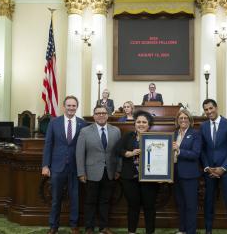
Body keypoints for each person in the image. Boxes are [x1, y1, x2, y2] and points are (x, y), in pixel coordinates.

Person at [41, 95, 88, 234]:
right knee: (56, 198)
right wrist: (45, 165)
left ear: (77, 107)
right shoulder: (54, 122)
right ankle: (53, 226)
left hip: (75, 166)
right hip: (57, 166)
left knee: (75, 197)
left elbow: (85, 147)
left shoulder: (82, 123)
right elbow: (48, 144)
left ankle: (74, 225)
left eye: (74, 106)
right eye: (69, 105)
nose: (71, 108)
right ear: (64, 106)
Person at [76, 105, 121, 234]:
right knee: (90, 201)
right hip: (91, 173)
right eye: (98, 113)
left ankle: (103, 227)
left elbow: (118, 152)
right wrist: (81, 172)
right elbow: (80, 153)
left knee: (105, 201)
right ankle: (89, 228)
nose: (101, 115)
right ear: (94, 115)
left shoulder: (116, 131)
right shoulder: (85, 131)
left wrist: (118, 169)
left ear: (107, 115)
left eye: (103, 113)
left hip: (110, 173)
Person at [200, 99, 227, 234]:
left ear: (216, 107)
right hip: (210, 171)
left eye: (211, 108)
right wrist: (206, 166)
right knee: (208, 203)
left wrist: (223, 168)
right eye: (206, 109)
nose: (209, 112)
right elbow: (202, 149)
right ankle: (208, 231)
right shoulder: (203, 126)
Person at [116, 110, 158, 234]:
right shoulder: (128, 136)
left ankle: (150, 232)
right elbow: (117, 149)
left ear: (149, 125)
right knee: (133, 207)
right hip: (130, 178)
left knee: (149, 207)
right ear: (134, 123)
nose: (141, 124)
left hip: (150, 179)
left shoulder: (156, 138)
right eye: (138, 122)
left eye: (144, 122)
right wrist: (128, 153)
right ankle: (131, 232)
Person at [172, 109, 201, 234]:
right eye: (181, 118)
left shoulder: (195, 134)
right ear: (177, 120)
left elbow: (195, 154)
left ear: (190, 120)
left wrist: (179, 151)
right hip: (175, 174)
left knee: (190, 205)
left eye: (185, 118)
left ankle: (190, 231)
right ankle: (182, 229)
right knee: (180, 204)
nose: (183, 120)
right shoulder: (174, 134)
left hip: (189, 175)